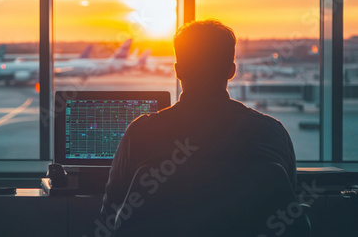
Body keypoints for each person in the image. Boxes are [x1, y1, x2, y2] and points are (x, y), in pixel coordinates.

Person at [101, 19, 297, 233]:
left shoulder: (140, 133)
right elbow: (288, 209)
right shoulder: (271, 133)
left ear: (178, 71)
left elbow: (110, 215)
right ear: (231, 70)